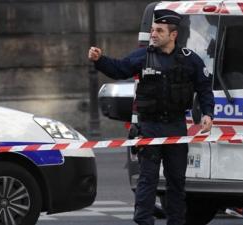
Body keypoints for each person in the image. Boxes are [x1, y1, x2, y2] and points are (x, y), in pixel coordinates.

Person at [88, 9, 214, 225]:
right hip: (149, 128)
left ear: (173, 35)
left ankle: (176, 221)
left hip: (176, 128)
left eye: (159, 30)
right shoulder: (143, 56)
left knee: (176, 181)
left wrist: (208, 114)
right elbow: (119, 69)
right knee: (148, 179)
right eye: (152, 29)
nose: (153, 34)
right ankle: (144, 221)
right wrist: (100, 60)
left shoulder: (189, 60)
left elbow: (204, 88)